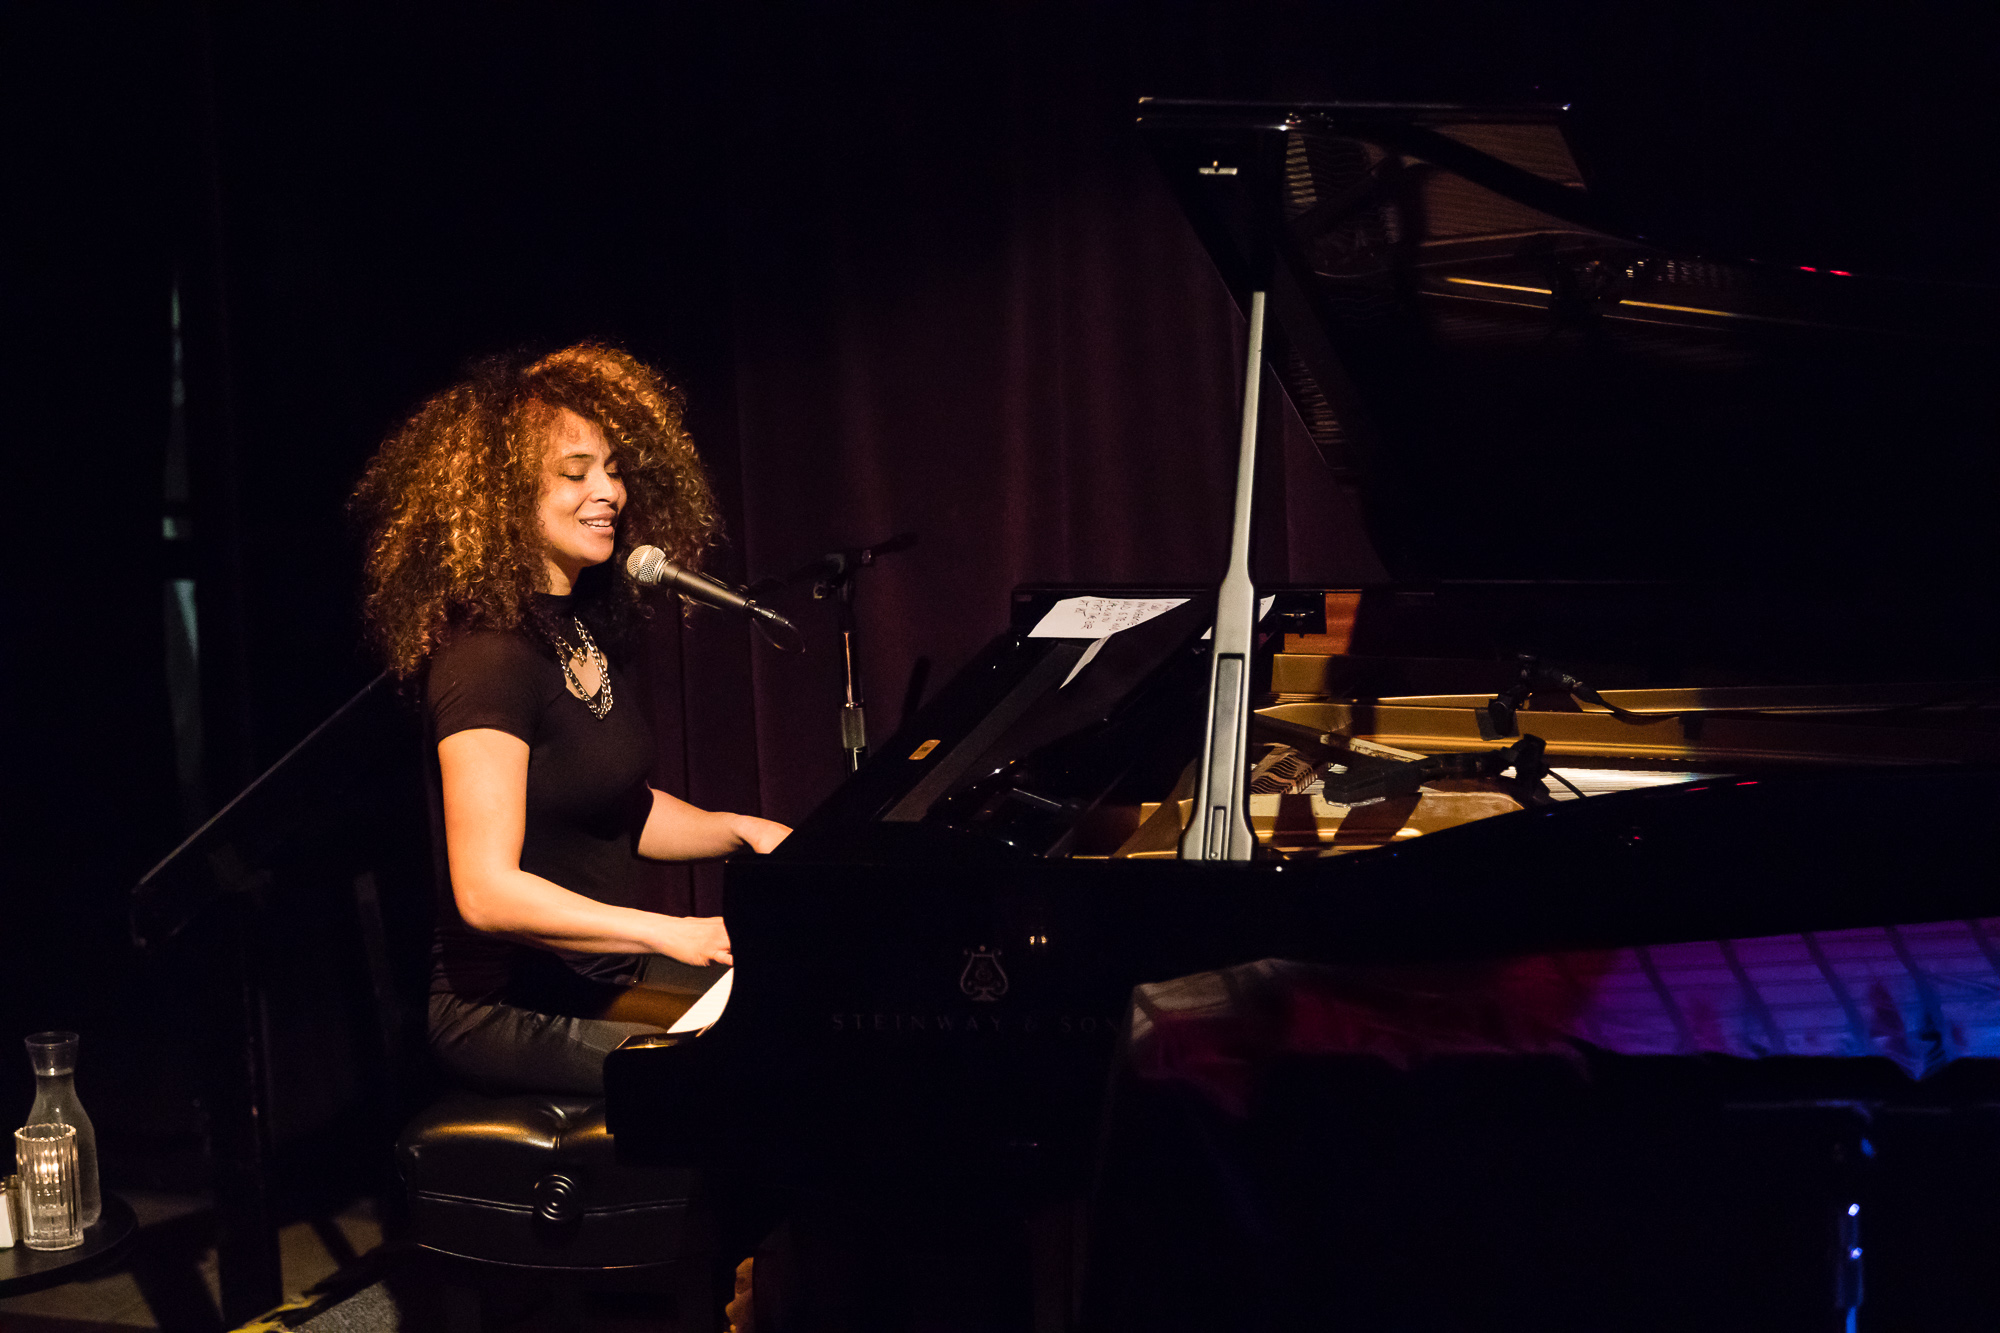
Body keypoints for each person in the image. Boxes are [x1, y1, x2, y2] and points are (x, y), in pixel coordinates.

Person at [353, 342, 789, 1096]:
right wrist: (671, 931)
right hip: (500, 1006)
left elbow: (614, 808)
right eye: (574, 472)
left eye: (613, 468)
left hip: (593, 975)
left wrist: (738, 829)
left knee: (793, 1020)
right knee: (747, 1074)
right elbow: (485, 891)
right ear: (502, 493)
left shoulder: (577, 628)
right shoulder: (487, 657)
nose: (608, 492)